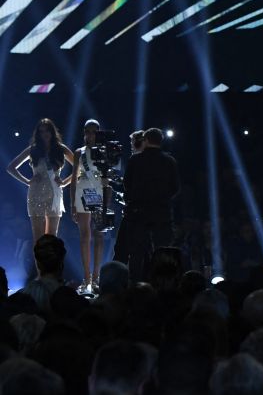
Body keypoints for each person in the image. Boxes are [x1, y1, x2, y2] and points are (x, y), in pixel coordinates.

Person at [115, 128, 180, 281]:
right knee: (163, 251)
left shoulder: (135, 160)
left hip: (138, 213)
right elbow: (176, 187)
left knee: (136, 253)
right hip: (161, 213)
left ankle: (136, 286)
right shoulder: (169, 161)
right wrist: (163, 199)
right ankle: (163, 284)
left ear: (145, 140)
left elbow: (126, 184)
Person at [6, 118, 75, 249]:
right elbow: (11, 167)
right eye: (42, 131)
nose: (45, 133)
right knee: (38, 238)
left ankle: (50, 268)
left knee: (51, 237)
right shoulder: (33, 149)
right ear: (38, 133)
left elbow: (80, 168)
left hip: (54, 194)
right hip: (36, 193)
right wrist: (27, 181)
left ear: (52, 131)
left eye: (47, 130)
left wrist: (65, 182)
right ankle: (39, 269)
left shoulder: (60, 149)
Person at [68, 119, 110, 294]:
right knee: (85, 236)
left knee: (99, 236)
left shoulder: (104, 151)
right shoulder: (79, 152)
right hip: (83, 192)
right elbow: (73, 180)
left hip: (99, 193)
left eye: (93, 132)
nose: (89, 135)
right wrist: (72, 205)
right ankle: (87, 278)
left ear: (98, 133)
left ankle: (97, 276)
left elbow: (108, 180)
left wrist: (107, 204)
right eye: (87, 131)